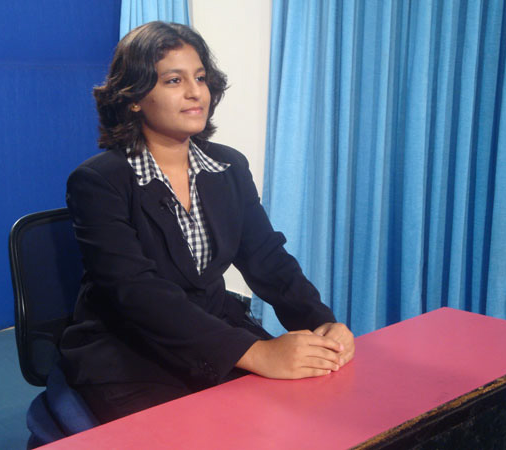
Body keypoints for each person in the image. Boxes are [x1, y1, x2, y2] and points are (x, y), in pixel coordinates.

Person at [60, 21, 355, 424]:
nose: (195, 92)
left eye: (200, 78)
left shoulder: (228, 166)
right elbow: (137, 294)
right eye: (173, 80)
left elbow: (268, 260)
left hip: (215, 331)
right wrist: (257, 353)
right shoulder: (97, 181)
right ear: (134, 98)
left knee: (305, 410)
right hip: (130, 350)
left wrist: (322, 323)